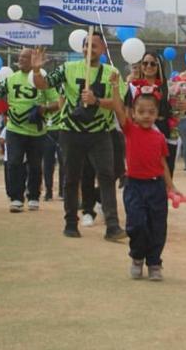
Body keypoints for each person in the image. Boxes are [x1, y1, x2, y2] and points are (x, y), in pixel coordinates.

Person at [30, 32, 127, 240]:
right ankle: (71, 223)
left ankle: (112, 225)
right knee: (71, 178)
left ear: (103, 49)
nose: (88, 49)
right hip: (71, 132)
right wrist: (36, 69)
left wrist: (96, 101)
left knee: (107, 177)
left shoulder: (112, 73)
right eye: (85, 45)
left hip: (100, 133)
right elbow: (43, 84)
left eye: (94, 46)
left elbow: (118, 104)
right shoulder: (68, 68)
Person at [110, 74, 176, 281]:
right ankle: (137, 257)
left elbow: (162, 163)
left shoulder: (159, 137)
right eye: (141, 112)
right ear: (133, 113)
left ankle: (154, 263)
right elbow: (118, 108)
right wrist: (115, 86)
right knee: (136, 224)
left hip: (156, 187)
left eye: (151, 112)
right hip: (134, 186)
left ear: (157, 114)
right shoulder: (129, 130)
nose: (146, 116)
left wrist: (171, 186)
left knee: (158, 226)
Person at [0, 47, 58, 212]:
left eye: (25, 57)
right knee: (13, 162)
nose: (21, 60)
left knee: (35, 165)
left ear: (34, 60)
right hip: (14, 128)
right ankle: (16, 198)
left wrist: (44, 109)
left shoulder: (43, 79)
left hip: (36, 131)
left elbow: (57, 102)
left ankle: (33, 196)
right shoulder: (11, 79)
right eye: (20, 57)